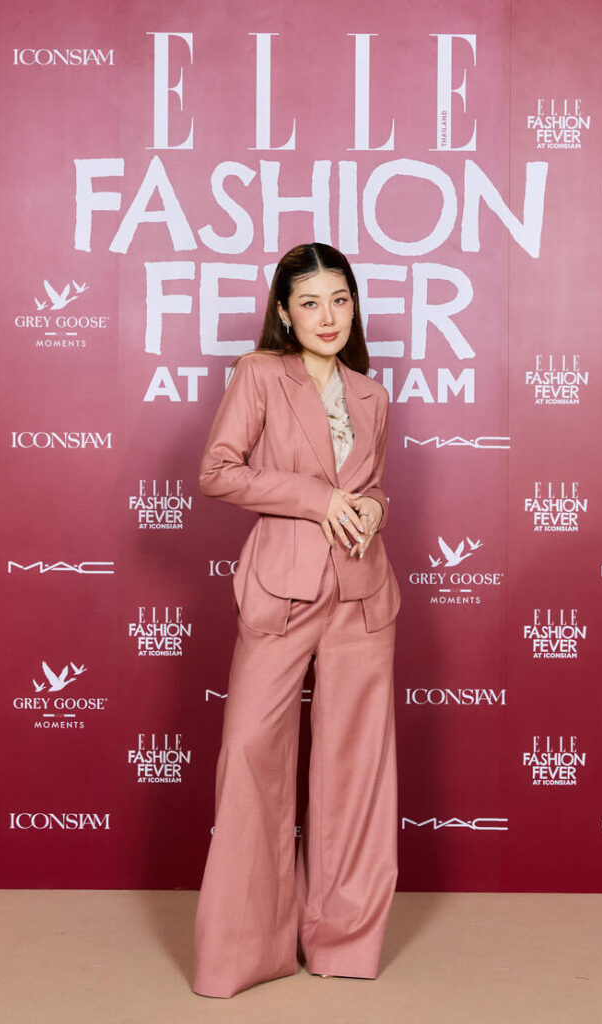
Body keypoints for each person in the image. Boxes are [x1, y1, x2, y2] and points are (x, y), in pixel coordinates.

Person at [192, 242, 401, 998]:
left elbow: (371, 487)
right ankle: (244, 951)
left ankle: (344, 942)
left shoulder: (371, 394)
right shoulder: (258, 374)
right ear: (284, 312)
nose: (328, 316)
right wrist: (318, 500)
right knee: (251, 755)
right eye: (310, 302)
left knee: (355, 771)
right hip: (281, 590)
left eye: (339, 300)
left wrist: (372, 508)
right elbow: (218, 472)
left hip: (362, 595)